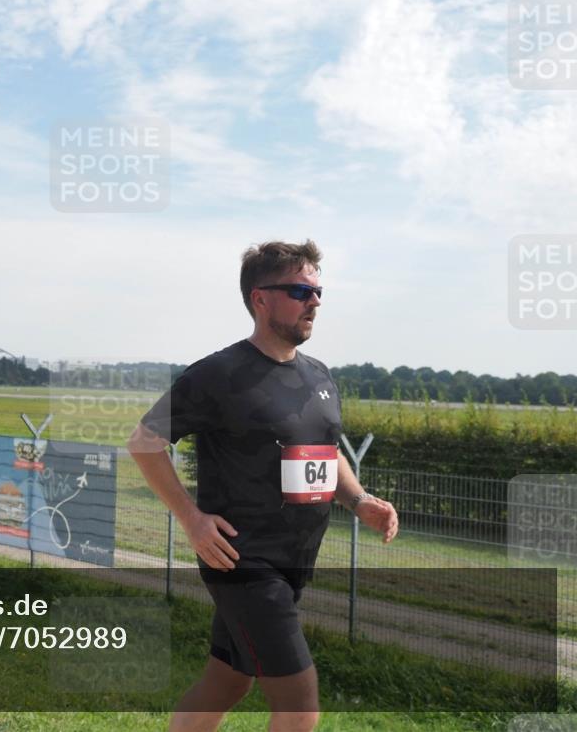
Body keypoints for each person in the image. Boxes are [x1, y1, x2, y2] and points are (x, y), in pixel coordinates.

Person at [127, 240, 398, 732]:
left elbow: (326, 451)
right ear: (260, 298)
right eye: (299, 291)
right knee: (300, 701)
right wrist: (192, 519)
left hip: (294, 561)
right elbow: (144, 442)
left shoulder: (319, 376)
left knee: (227, 681)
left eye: (318, 292)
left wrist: (359, 501)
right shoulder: (217, 374)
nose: (314, 301)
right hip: (241, 561)